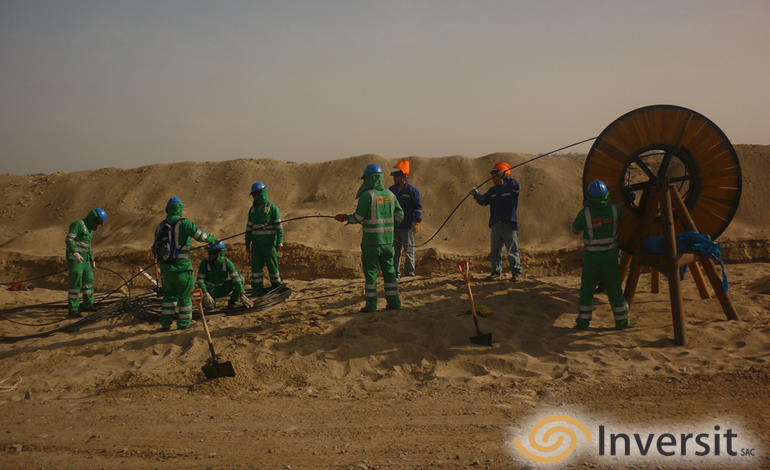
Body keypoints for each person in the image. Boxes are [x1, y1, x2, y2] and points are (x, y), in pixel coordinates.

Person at [335, 164, 404, 312]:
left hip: (371, 243)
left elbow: (358, 217)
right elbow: (400, 215)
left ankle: (371, 306)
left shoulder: (367, 196)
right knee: (390, 273)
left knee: (371, 275)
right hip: (388, 242)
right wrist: (392, 228)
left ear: (369, 178)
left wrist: (345, 217)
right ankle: (394, 304)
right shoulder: (390, 195)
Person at [571, 179, 631, 330]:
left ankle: (583, 323)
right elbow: (626, 215)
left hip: (591, 261)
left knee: (586, 292)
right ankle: (622, 323)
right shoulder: (615, 210)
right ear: (606, 195)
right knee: (615, 291)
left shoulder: (585, 213)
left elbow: (575, 230)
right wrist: (628, 198)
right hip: (610, 260)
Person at [155, 197, 218, 330]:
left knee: (168, 297)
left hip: (166, 270)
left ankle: (165, 324)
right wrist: (214, 239)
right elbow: (201, 236)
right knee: (184, 297)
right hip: (182, 270)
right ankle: (183, 325)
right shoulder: (185, 224)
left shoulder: (159, 226)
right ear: (180, 209)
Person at [470, 162, 523, 282]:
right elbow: (484, 201)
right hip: (495, 225)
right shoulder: (492, 191)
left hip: (509, 224)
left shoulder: (511, 188)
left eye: (495, 175)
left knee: (512, 251)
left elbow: (517, 186)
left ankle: (516, 273)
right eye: (493, 176)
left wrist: (506, 177)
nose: (493, 178)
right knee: (495, 251)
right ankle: (496, 271)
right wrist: (476, 195)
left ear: (502, 175)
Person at [65, 208, 107, 317]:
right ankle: (73, 309)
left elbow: (88, 246)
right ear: (92, 217)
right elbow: (69, 240)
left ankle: (88, 305)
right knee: (76, 282)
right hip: (76, 259)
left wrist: (92, 259)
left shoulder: (89, 230)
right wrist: (74, 253)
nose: (97, 224)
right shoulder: (78, 224)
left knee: (89, 281)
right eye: (97, 221)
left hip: (86, 259)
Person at [245, 182, 283, 296]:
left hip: (269, 244)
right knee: (256, 269)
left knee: (272, 267)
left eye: (255, 194)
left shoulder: (272, 208)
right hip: (256, 245)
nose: (253, 197)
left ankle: (276, 288)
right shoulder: (252, 210)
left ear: (261, 193)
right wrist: (247, 242)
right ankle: (257, 290)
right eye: (253, 195)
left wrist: (279, 242)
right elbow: (249, 228)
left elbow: (279, 227)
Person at [389, 160, 423, 278]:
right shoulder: (391, 190)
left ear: (404, 176)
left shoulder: (412, 191)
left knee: (408, 252)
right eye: (394, 176)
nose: (394, 178)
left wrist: (417, 222)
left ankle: (409, 273)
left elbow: (418, 208)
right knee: (394, 252)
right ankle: (394, 274)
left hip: (407, 226)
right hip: (394, 227)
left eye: (397, 176)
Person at [196, 241, 254, 310]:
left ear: (220, 253)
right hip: (210, 291)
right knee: (208, 306)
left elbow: (235, 278)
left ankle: (233, 301)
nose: (210, 255)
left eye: (212, 252)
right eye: (209, 252)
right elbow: (200, 280)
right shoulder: (204, 262)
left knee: (240, 278)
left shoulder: (227, 263)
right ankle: (210, 303)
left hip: (223, 288)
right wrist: (205, 293)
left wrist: (242, 294)